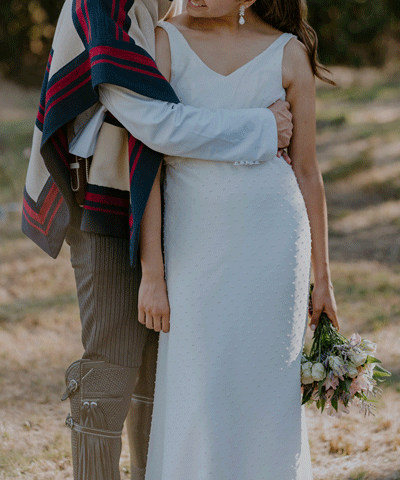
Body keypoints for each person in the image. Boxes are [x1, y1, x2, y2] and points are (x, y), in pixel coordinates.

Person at [21, 0, 294, 478]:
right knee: (110, 365)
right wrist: (261, 127)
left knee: (158, 369)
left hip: (168, 204)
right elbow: (153, 122)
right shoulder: (103, 6)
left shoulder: (165, 6)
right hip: (102, 197)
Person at [137, 0, 340, 478]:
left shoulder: (288, 55)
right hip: (193, 246)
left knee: (264, 391)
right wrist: (153, 271)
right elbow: (146, 160)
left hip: (272, 244)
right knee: (200, 388)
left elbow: (308, 172)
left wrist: (323, 279)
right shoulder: (166, 41)